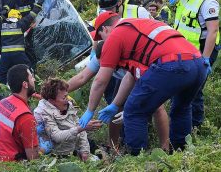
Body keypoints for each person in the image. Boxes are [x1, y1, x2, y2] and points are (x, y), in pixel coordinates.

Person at [79, 11, 207, 155]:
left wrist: (90, 110)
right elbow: (130, 76)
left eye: (101, 36)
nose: (102, 41)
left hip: (172, 64)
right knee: (181, 108)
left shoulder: (115, 35)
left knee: (133, 112)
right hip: (198, 62)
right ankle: (181, 154)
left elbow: (100, 81)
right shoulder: (138, 28)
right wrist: (115, 105)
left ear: (105, 29)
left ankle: (137, 160)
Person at [68, 41, 169, 150]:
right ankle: (112, 146)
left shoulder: (130, 59)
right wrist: (57, 91)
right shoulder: (99, 57)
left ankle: (165, 146)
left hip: (143, 76)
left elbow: (140, 86)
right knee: (114, 108)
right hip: (124, 80)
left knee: (157, 107)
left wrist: (131, 108)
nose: (104, 65)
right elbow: (82, 77)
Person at [161, 0, 219, 127]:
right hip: (185, 50)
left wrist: (206, 58)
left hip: (202, 51)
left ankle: (196, 126)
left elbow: (213, 31)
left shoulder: (208, 0)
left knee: (195, 92)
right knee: (182, 89)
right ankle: (184, 123)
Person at [0, 64, 39, 168]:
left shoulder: (1, 103)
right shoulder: (26, 117)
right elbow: (33, 159)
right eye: (31, 77)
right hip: (8, 167)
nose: (34, 80)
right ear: (25, 84)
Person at [39, 78, 101, 161]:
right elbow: (57, 137)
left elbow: (80, 127)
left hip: (77, 147)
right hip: (61, 155)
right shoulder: (44, 114)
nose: (67, 100)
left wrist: (85, 150)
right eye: (64, 98)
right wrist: (81, 128)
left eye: (67, 96)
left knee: (100, 157)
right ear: (52, 101)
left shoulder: (68, 105)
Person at [0, 0, 46, 84]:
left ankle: (1, 89)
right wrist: (40, 3)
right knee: (28, 68)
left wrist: (0, 15)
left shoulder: (2, 26)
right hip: (18, 54)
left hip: (5, 55)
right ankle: (32, 85)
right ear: (18, 17)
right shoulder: (21, 24)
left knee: (1, 74)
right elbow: (32, 14)